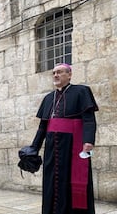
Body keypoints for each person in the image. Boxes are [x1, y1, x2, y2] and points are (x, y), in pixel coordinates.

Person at [30, 63, 98, 214]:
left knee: (72, 182)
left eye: (60, 72)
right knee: (51, 182)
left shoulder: (81, 91)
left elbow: (89, 119)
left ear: (69, 74)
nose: (55, 75)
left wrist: (88, 141)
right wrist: (33, 148)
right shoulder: (48, 98)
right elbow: (42, 127)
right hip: (51, 148)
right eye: (54, 72)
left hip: (72, 145)